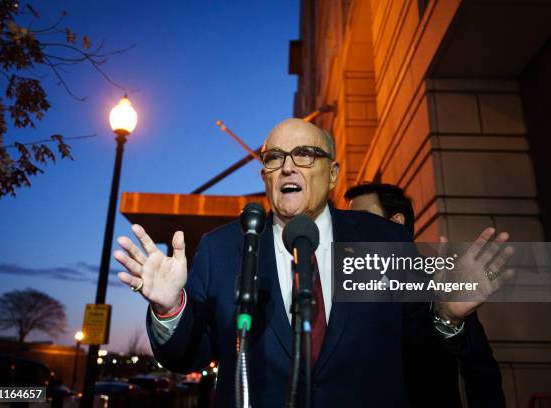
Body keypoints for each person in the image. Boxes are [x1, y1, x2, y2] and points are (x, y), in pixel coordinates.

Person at [114, 118, 511, 407]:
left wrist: (445, 314)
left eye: (305, 155)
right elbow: (190, 355)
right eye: (274, 157)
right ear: (266, 175)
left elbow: (420, 359)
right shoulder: (222, 249)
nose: (288, 166)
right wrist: (169, 309)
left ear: (333, 173)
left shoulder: (382, 240)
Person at [345, 182, 506, 407]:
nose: (349, 231)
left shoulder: (439, 282)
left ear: (396, 223)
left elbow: (480, 370)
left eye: (361, 220)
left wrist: (445, 317)